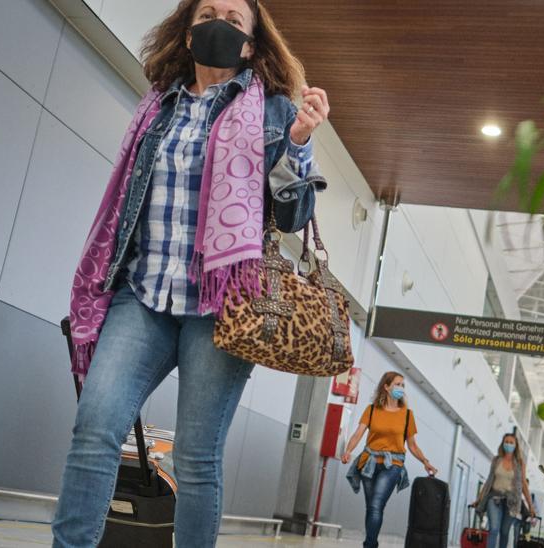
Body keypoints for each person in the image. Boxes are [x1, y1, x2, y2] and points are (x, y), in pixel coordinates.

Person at [53, 0, 330, 546]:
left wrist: (298, 142)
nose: (217, 25)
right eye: (207, 14)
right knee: (95, 427)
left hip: (222, 305)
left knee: (196, 456)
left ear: (251, 44)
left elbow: (293, 216)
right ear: (186, 34)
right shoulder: (158, 106)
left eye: (232, 19)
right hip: (144, 293)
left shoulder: (274, 110)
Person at [341, 372, 439, 548]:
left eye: (403, 385)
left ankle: (369, 546)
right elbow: (358, 434)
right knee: (371, 507)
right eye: (397, 384)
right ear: (386, 387)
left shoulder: (407, 415)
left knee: (376, 505)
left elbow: (412, 445)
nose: (401, 388)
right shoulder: (371, 410)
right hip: (369, 463)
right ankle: (371, 543)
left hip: (393, 465)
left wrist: (425, 461)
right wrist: (348, 450)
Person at [469, 433, 538, 548]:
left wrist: (530, 506)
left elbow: (524, 485)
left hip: (512, 502)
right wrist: (479, 499)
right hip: (494, 498)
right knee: (494, 529)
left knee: (504, 532)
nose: (508, 444)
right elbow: (489, 481)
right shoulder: (496, 460)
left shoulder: (520, 463)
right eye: (506, 442)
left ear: (516, 446)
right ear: (502, 443)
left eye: (511, 442)